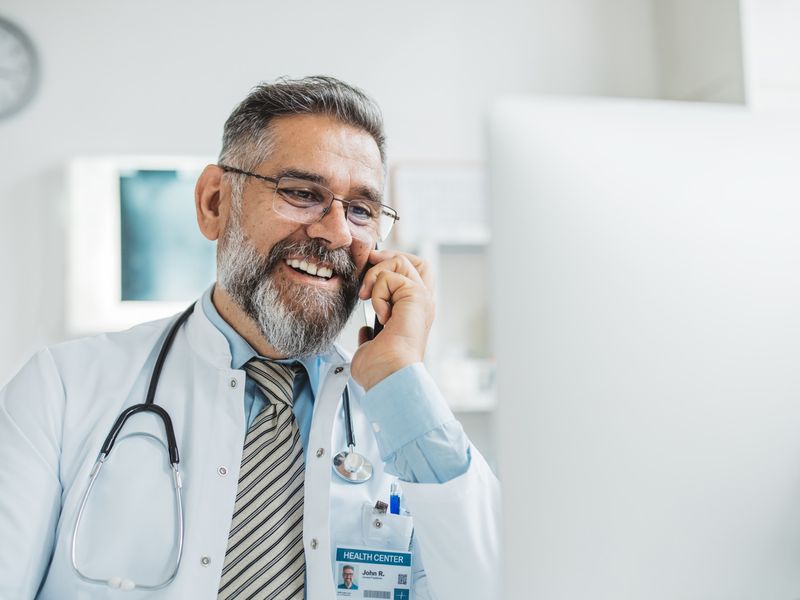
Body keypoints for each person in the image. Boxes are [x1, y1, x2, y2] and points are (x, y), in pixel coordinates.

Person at [0, 76, 500, 599]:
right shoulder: (60, 391)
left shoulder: (404, 427)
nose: (336, 232)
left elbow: (499, 586)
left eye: (361, 210)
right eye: (302, 193)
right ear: (215, 202)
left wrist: (401, 378)